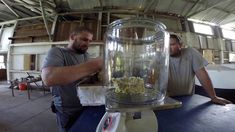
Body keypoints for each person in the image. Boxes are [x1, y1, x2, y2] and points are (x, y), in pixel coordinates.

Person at [41, 27, 103, 132]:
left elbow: (84, 77)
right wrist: (95, 64)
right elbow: (48, 78)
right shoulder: (57, 52)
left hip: (86, 104)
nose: (87, 43)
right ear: (72, 37)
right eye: (84, 39)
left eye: (89, 41)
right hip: (67, 110)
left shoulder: (85, 55)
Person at [167, 34, 231, 105]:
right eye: (166, 45)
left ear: (181, 45)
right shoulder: (160, 57)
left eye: (172, 44)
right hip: (166, 99)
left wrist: (213, 97)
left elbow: (202, 75)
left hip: (187, 98)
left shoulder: (191, 53)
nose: (168, 48)